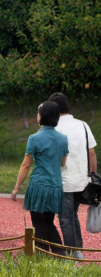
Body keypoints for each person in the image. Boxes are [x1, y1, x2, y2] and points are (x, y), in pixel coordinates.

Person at [11, 101, 69, 255]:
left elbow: (25, 165)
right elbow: (63, 163)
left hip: (38, 186)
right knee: (49, 223)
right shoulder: (63, 139)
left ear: (42, 116)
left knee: (38, 225)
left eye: (38, 112)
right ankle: (59, 254)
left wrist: (17, 187)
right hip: (55, 186)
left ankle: (42, 257)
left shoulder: (34, 138)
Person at [50, 93, 97, 260]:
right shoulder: (83, 125)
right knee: (73, 214)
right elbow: (91, 153)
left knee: (65, 218)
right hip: (82, 180)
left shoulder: (53, 127)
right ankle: (78, 249)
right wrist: (92, 175)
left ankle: (72, 254)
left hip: (63, 181)